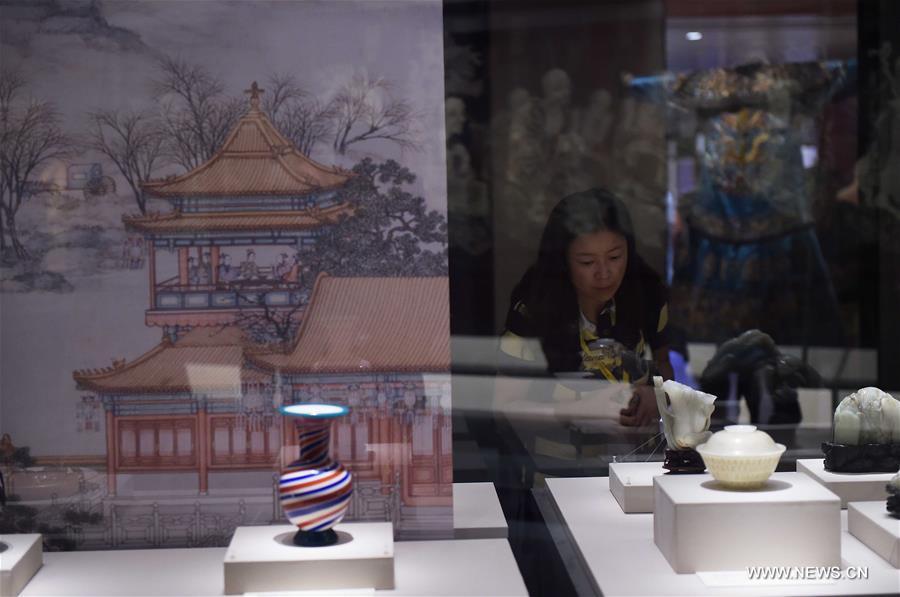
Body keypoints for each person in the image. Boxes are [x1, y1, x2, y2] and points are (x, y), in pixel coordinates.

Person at [496, 188, 673, 427]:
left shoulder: (647, 292)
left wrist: (658, 395)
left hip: (634, 445)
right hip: (555, 446)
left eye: (615, 257)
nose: (604, 273)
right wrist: (577, 410)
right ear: (563, 261)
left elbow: (664, 365)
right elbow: (504, 405)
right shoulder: (534, 307)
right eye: (587, 262)